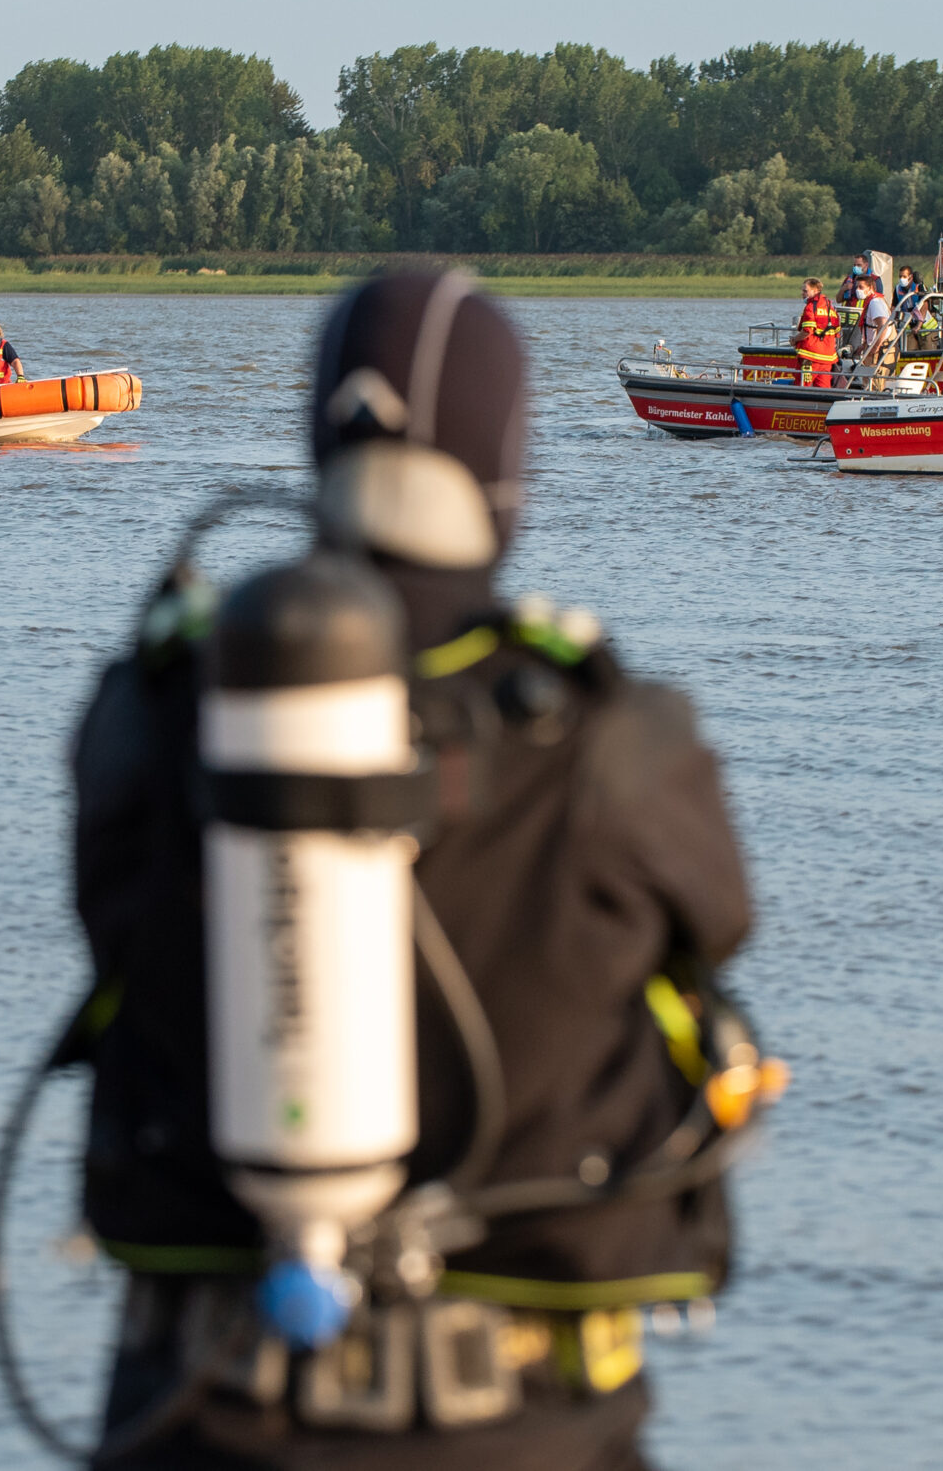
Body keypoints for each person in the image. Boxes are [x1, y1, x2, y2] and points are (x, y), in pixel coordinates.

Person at [65, 273, 758, 1470]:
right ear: (504, 461)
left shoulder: (160, 706)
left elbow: (105, 908)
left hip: (199, 1411)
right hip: (530, 1426)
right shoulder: (611, 737)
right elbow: (722, 925)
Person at [792, 277, 839, 386]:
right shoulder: (830, 307)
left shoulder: (810, 307)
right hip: (827, 358)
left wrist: (794, 339)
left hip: (810, 357)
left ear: (815, 291)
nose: (802, 294)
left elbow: (807, 331)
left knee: (802, 387)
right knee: (823, 391)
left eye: (805, 291)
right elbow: (836, 331)